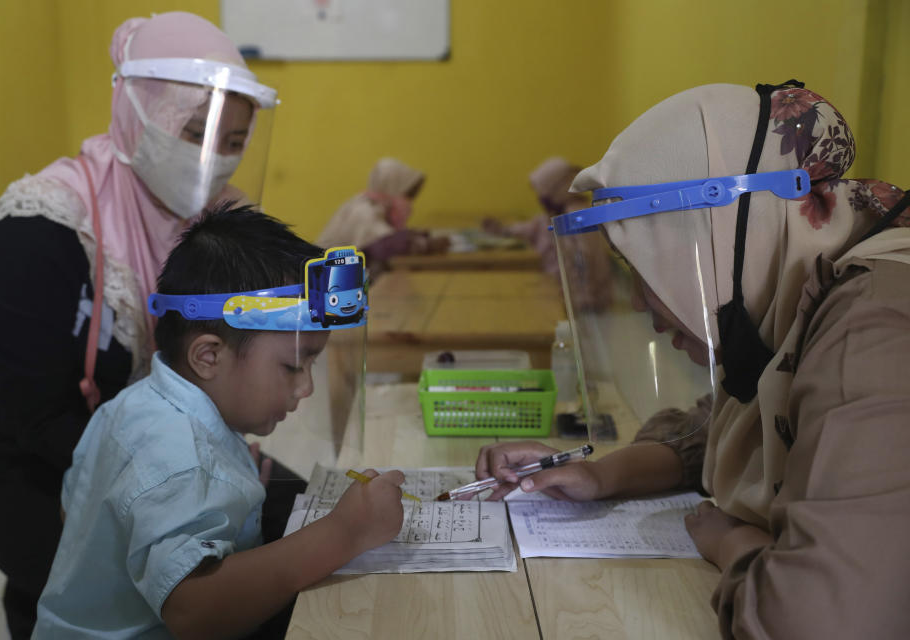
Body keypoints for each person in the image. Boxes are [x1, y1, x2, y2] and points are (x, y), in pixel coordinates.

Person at [472, 82, 910, 639]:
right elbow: (723, 428)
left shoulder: (874, 328)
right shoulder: (805, 298)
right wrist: (597, 476)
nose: (640, 306)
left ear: (719, 234)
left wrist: (734, 544)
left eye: (648, 264)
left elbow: (815, 622)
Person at [0, 12, 278, 637]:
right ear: (141, 114)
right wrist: (171, 482)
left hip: (176, 457)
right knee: (185, 600)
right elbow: (37, 416)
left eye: (235, 142)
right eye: (197, 132)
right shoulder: (39, 229)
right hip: (42, 475)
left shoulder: (215, 220)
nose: (218, 159)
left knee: (293, 528)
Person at [33, 203, 405, 639]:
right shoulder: (184, 457)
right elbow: (195, 612)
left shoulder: (129, 406)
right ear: (208, 355)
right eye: (293, 366)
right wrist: (344, 533)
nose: (306, 388)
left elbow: (73, 508)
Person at [482, 157, 612, 309]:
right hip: (563, 292)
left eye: (544, 193)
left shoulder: (577, 215)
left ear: (560, 188)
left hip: (587, 301)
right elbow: (529, 228)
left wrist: (583, 299)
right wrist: (501, 229)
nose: (541, 199)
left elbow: (584, 259)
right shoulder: (553, 215)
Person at [316, 157, 448, 267]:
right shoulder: (364, 210)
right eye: (407, 195)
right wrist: (425, 245)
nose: (408, 203)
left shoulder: (375, 207)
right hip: (324, 284)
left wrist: (419, 236)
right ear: (391, 187)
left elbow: (390, 237)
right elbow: (385, 246)